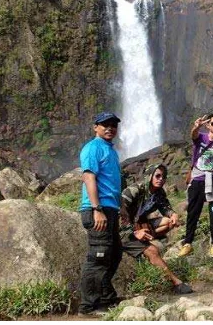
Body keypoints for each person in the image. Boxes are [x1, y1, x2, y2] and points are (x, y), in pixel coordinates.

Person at [119, 163, 193, 294]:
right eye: (157, 176)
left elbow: (165, 207)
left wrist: (173, 214)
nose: (161, 179)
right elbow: (118, 212)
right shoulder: (134, 190)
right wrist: (134, 232)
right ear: (149, 176)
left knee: (168, 221)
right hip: (123, 229)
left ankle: (148, 236)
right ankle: (177, 283)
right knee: (153, 250)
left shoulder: (158, 192)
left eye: (164, 176)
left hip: (139, 223)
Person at [78, 112, 123, 316]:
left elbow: (114, 182)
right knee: (98, 256)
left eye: (113, 125)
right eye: (105, 124)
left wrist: (121, 208)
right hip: (97, 209)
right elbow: (89, 177)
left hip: (110, 209)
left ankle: (105, 298)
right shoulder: (93, 148)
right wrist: (97, 209)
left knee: (114, 254)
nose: (110, 128)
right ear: (95, 127)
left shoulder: (111, 151)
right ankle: (88, 306)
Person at [179, 112, 213, 259]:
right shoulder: (200, 137)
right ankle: (187, 243)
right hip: (198, 179)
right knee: (193, 211)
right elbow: (193, 135)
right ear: (208, 125)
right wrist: (196, 127)